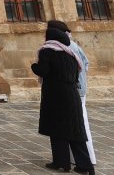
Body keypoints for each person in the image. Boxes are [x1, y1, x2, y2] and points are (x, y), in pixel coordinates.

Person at [32, 27, 93, 175]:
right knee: (75, 131)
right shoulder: (71, 54)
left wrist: (34, 66)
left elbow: (44, 71)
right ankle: (84, 165)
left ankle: (61, 162)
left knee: (57, 128)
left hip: (55, 95)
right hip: (72, 95)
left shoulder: (47, 51)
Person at [48, 19, 96, 168]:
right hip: (78, 89)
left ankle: (86, 160)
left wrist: (75, 81)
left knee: (78, 125)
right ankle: (81, 160)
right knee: (78, 124)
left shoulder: (66, 46)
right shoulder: (71, 44)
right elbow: (85, 64)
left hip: (74, 90)